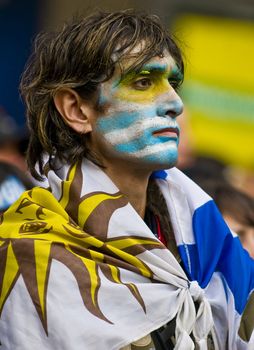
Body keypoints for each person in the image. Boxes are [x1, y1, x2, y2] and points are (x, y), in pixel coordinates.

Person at [0, 10, 253, 350]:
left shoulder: (204, 232)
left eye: (173, 83)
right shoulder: (23, 257)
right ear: (77, 110)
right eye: (143, 82)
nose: (175, 104)